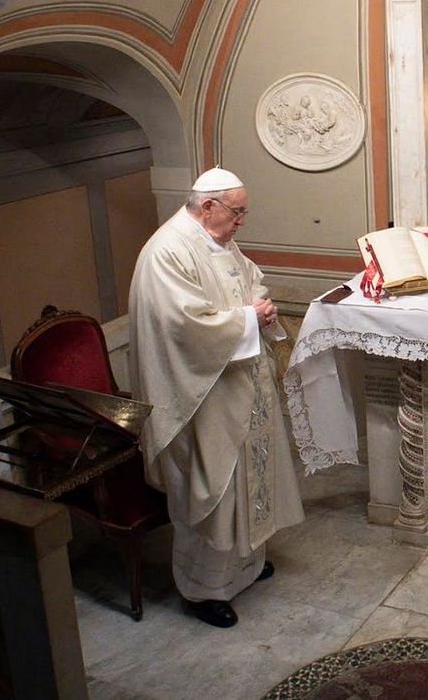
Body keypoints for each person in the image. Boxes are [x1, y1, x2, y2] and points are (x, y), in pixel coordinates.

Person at [126, 167, 305, 628]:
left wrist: (258, 308)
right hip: (201, 392)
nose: (242, 221)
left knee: (249, 475)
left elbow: (246, 283)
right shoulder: (168, 252)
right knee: (214, 485)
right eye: (237, 211)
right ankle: (204, 589)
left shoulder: (217, 239)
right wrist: (248, 319)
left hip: (239, 382)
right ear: (209, 206)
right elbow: (183, 326)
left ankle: (244, 566)